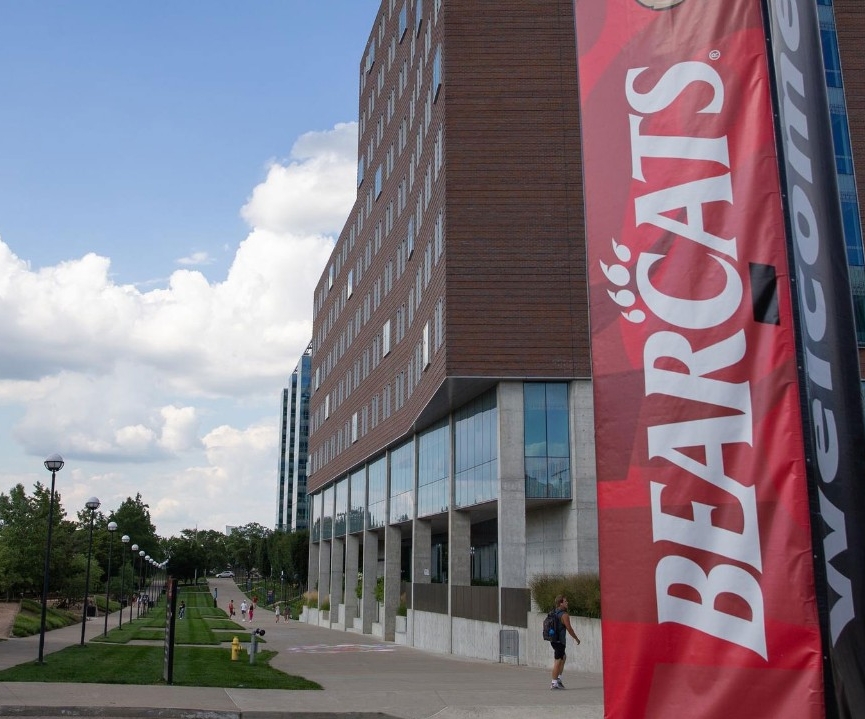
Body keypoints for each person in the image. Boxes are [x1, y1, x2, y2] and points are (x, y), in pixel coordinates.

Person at [549, 595, 580, 690]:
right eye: (565, 601)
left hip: (553, 639)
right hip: (559, 640)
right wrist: (576, 638)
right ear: (561, 603)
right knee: (558, 660)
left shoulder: (554, 612)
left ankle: (558, 680)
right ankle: (554, 683)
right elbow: (569, 628)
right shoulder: (564, 615)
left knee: (563, 657)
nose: (567, 603)